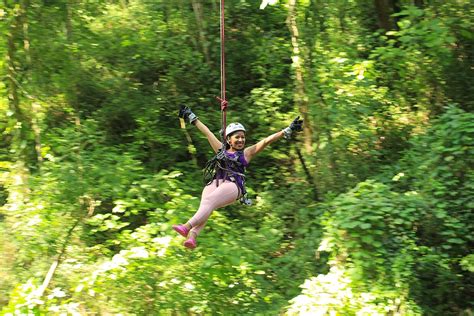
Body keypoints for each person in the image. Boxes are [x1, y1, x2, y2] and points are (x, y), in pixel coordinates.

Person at [173, 105, 303, 249]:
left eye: (243, 137)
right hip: (216, 182)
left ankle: (187, 226)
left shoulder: (246, 153)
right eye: (237, 137)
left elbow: (266, 141)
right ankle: (192, 236)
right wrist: (191, 117)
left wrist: (287, 130)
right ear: (229, 140)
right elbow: (208, 133)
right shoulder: (220, 150)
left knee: (209, 201)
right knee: (206, 205)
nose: (241, 140)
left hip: (234, 185)